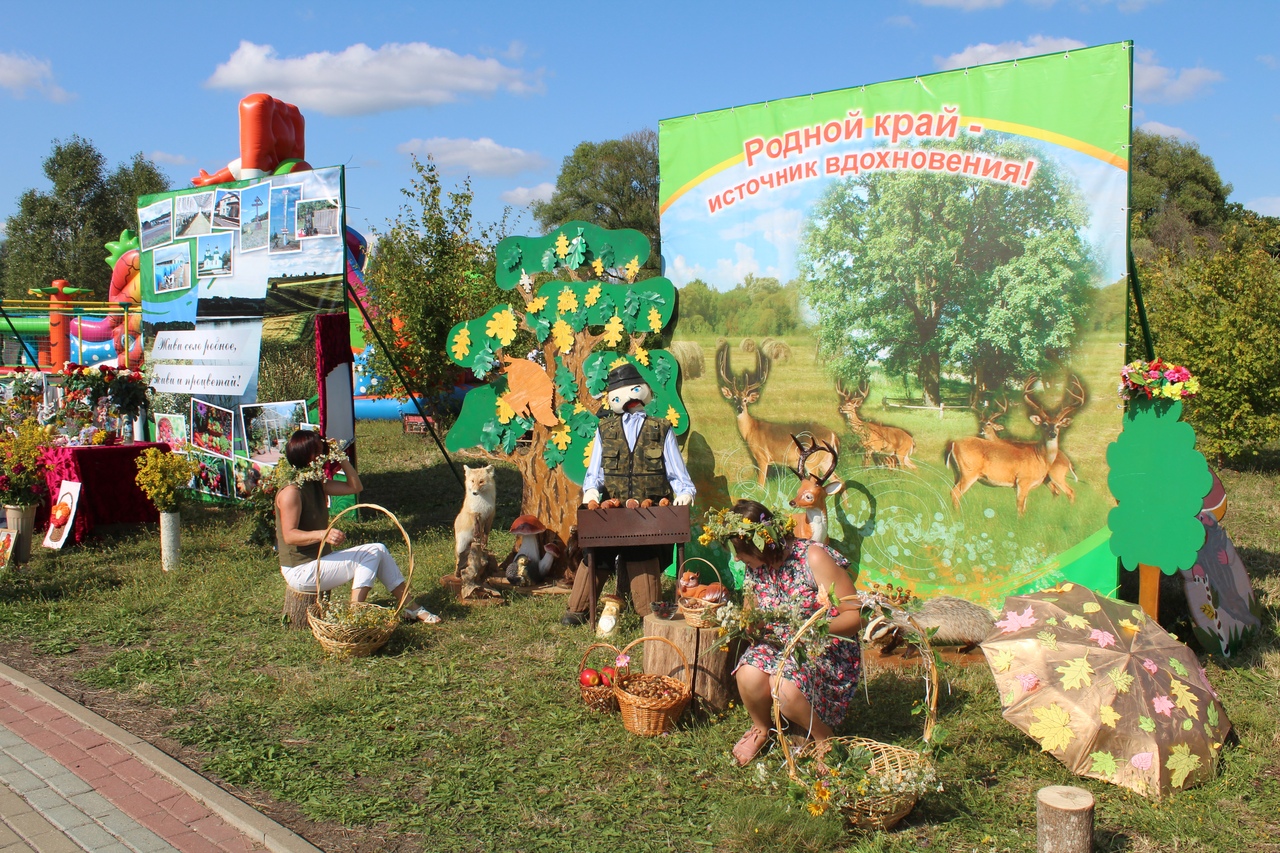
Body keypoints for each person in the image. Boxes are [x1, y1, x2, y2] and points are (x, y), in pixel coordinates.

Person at [717, 499, 861, 765]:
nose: (736, 558)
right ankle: (762, 728)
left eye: (740, 551)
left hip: (821, 646)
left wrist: (811, 629)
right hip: (778, 645)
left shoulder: (812, 557)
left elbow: (854, 614)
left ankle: (824, 739)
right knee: (747, 673)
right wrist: (749, 622)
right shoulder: (756, 566)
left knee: (782, 686)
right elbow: (753, 611)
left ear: (761, 545)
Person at [561, 362, 696, 625]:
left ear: (644, 391)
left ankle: (647, 612)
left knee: (642, 553)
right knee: (596, 551)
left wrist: (685, 492)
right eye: (622, 394)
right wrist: (591, 492)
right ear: (612, 399)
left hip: (649, 512)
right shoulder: (605, 430)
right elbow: (595, 470)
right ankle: (578, 609)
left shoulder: (661, 429)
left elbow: (676, 470)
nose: (631, 398)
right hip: (612, 508)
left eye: (636, 389)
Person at [275, 429, 438, 623]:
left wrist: (341, 456)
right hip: (300, 569)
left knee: (379, 551)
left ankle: (410, 606)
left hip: (317, 561)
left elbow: (355, 487)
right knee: (371, 554)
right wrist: (323, 535)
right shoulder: (292, 492)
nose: (324, 456)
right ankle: (354, 616)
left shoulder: (315, 483)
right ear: (307, 456)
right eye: (320, 452)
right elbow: (289, 535)